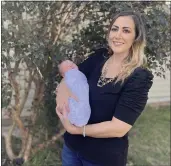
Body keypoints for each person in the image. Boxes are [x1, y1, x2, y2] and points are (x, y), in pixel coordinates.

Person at [56, 10, 154, 166]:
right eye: (114, 29)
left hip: (101, 158)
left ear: (136, 38)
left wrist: (76, 130)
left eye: (126, 30)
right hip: (72, 148)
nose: (117, 35)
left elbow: (118, 128)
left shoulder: (139, 77)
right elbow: (70, 77)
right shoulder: (99, 57)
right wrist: (61, 99)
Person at [58, 60, 91, 127]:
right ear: (63, 75)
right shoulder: (68, 79)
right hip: (74, 114)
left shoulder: (80, 75)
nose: (70, 65)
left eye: (72, 63)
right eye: (67, 67)